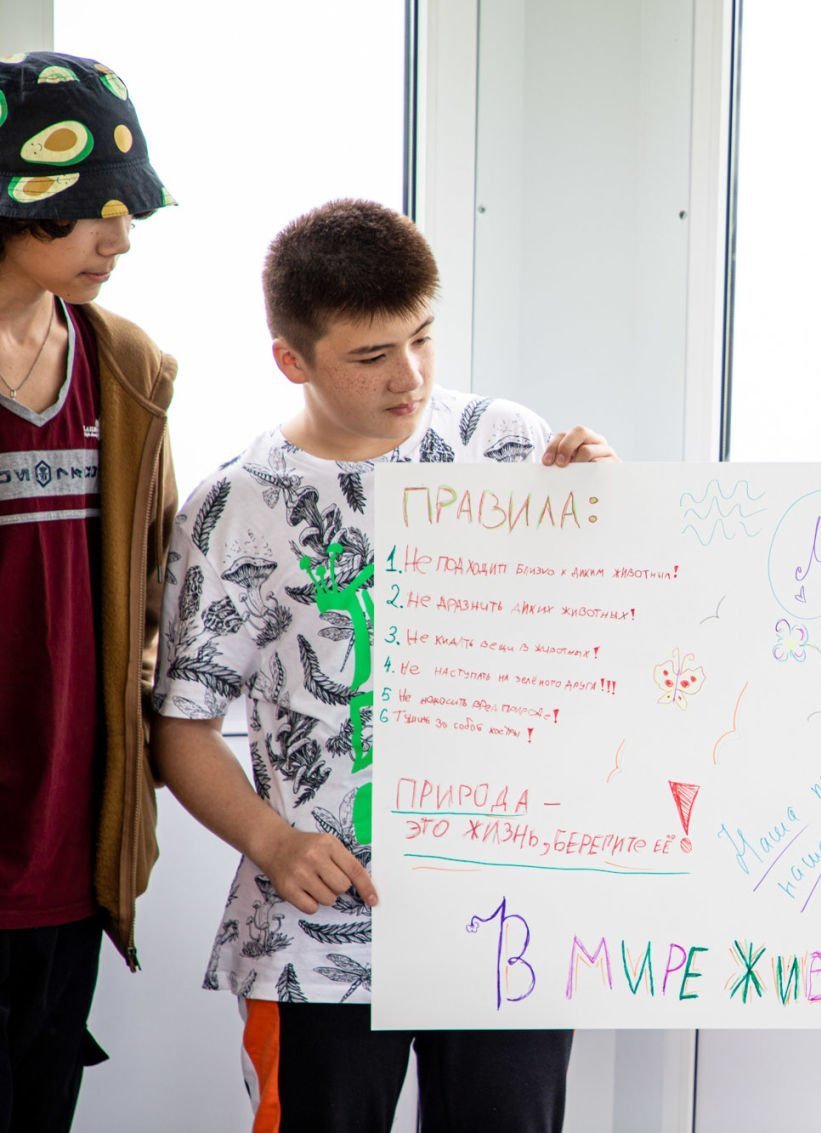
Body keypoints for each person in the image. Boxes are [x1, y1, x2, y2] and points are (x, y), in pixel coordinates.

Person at [150, 199, 612, 1132]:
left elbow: (607, 640)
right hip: (314, 941)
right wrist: (274, 843)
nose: (410, 376)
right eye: (371, 357)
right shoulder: (235, 505)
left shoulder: (507, 445)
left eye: (423, 338)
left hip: (505, 923)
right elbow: (182, 727)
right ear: (292, 360)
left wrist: (611, 507)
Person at [0, 51, 177, 1133]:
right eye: (97, 211)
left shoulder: (126, 367)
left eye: (128, 212)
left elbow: (158, 579)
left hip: (73, 849)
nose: (119, 240)